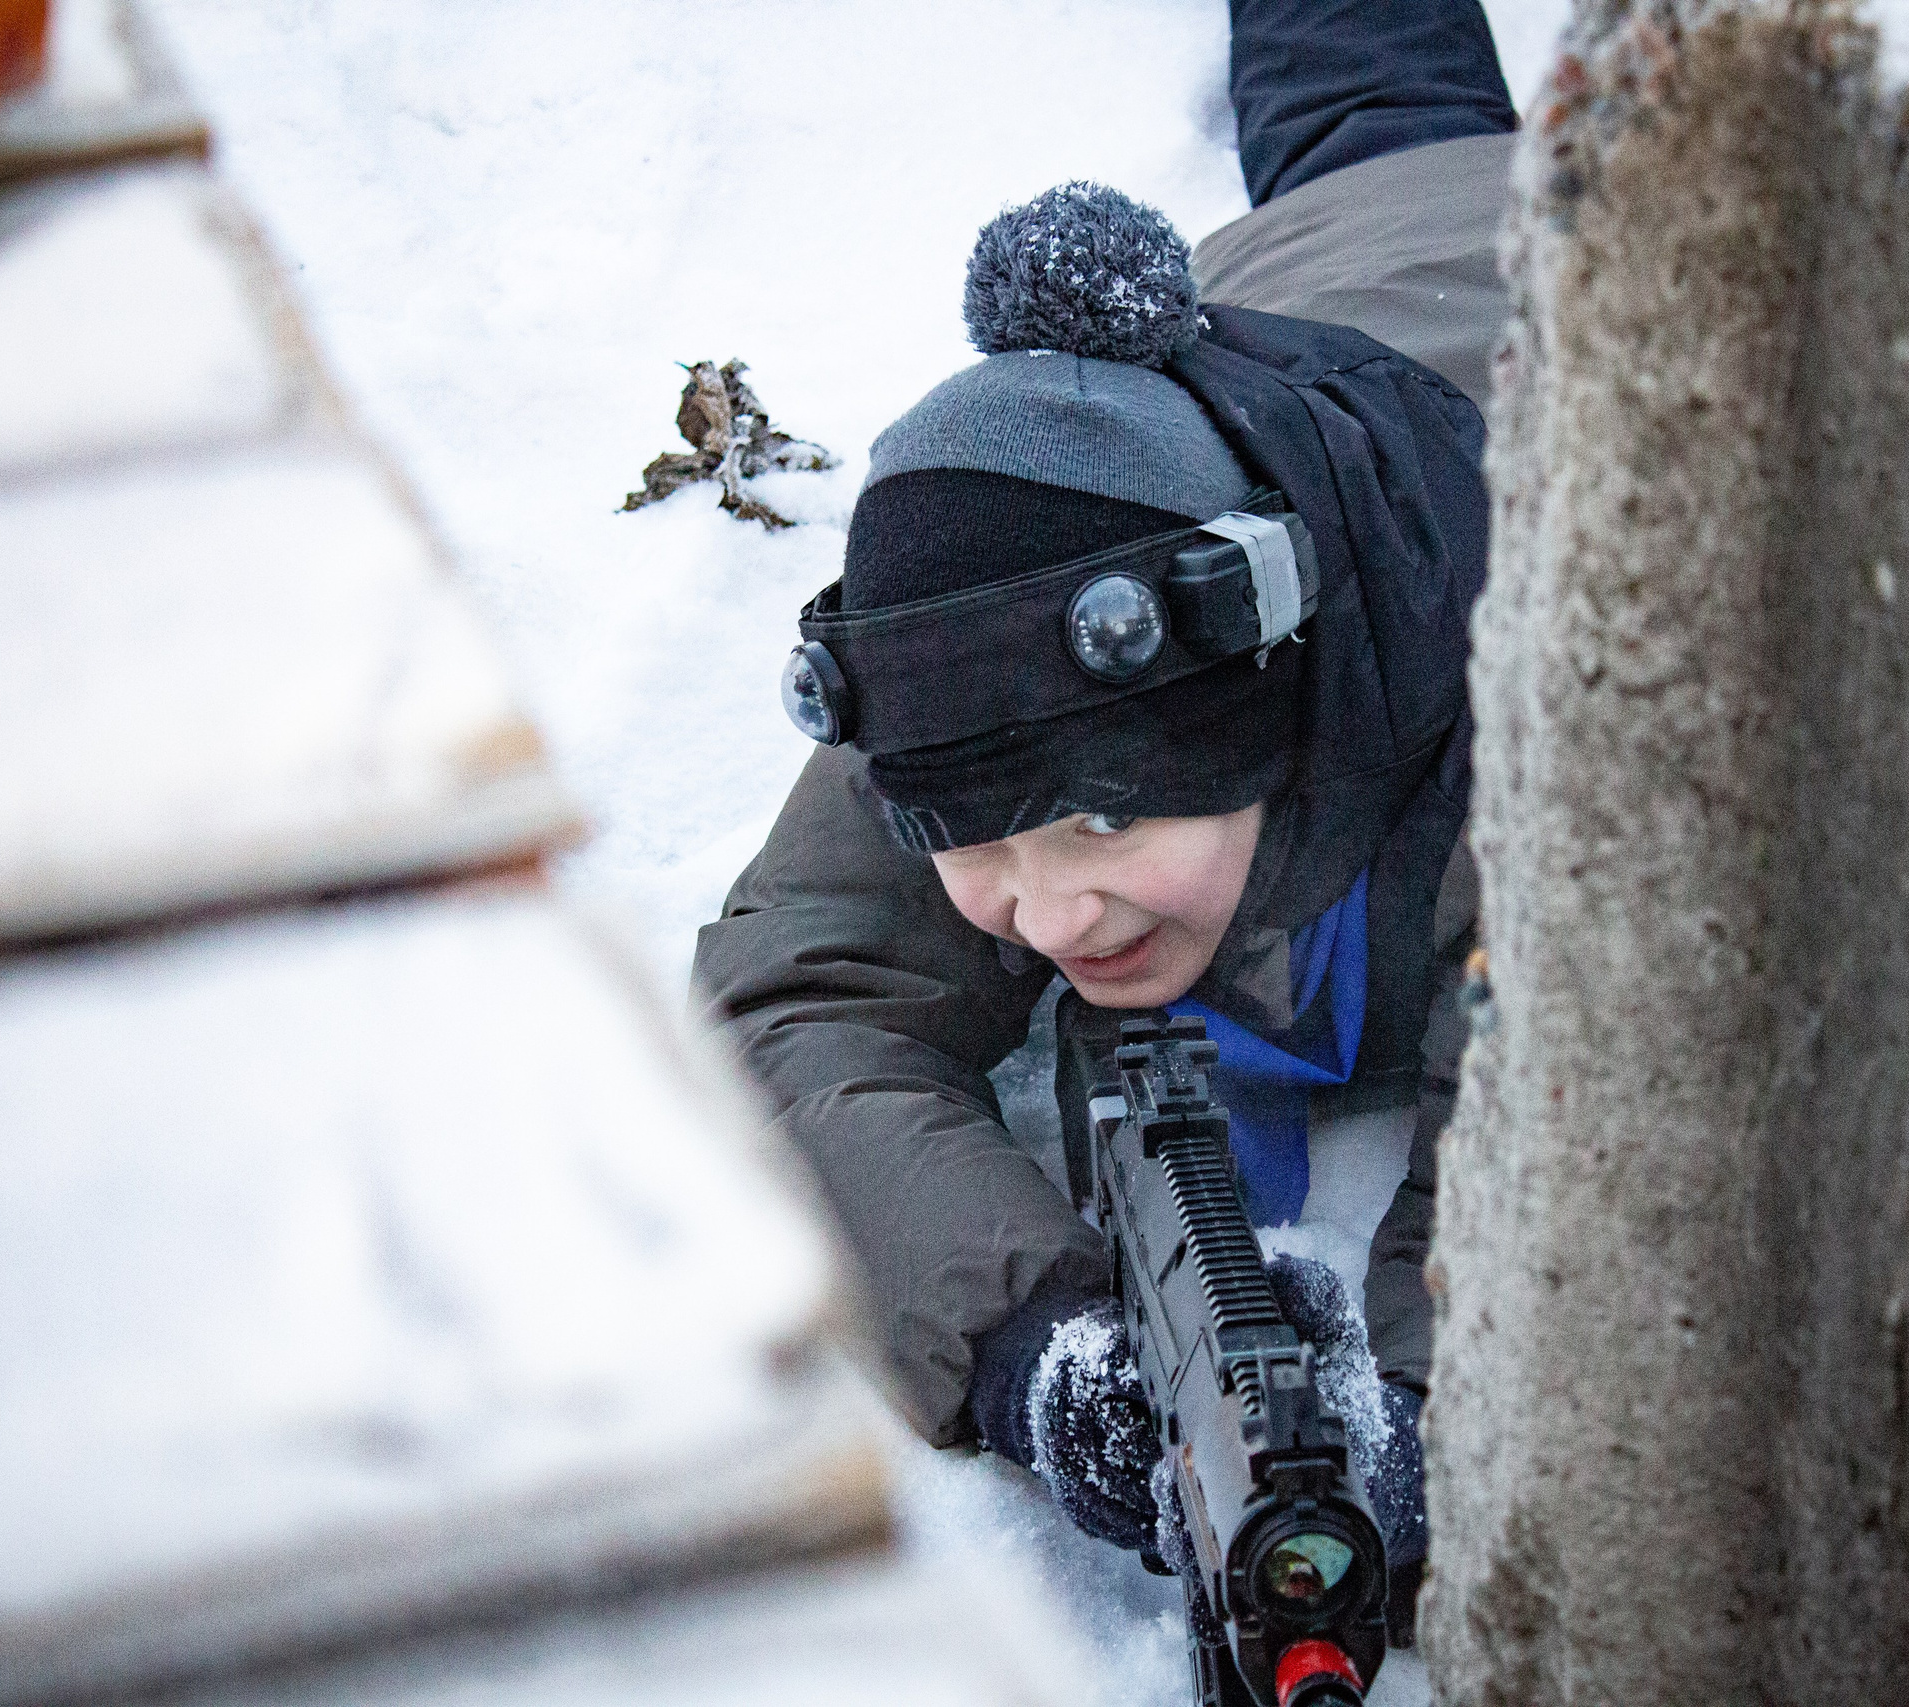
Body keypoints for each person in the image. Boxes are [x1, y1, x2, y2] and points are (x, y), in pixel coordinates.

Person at [694, 0, 1519, 1640]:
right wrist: (1035, 1355)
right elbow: (792, 998)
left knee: (1403, 109)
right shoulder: (995, 622)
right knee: (1351, 77)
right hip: (1304, 267)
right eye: (979, 843)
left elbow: (1569, 1142)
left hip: (1515, 288)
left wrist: (1430, 1446)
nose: (1048, 911)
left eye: (1095, 825)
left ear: (1276, 692)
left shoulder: (1545, 708)